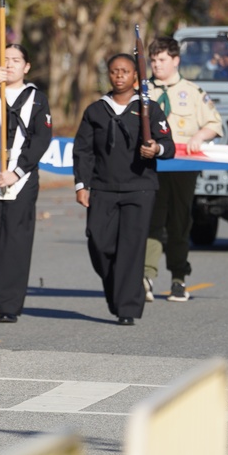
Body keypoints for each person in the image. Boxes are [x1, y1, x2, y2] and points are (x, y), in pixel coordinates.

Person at [73, 53, 175, 325]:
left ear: (135, 77)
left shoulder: (148, 109)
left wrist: (155, 148)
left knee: (131, 248)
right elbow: (83, 151)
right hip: (103, 188)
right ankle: (118, 289)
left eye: (125, 71)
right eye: (114, 71)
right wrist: (82, 185)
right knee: (99, 243)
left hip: (139, 189)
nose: (119, 76)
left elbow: (168, 145)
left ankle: (128, 308)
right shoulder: (96, 110)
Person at [0, 44, 52, 323]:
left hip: (22, 174)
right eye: (5, 60)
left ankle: (9, 305)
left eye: (16, 60)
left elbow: (41, 140)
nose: (10, 65)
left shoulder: (37, 98)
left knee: (15, 241)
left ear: (26, 66)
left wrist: (17, 171)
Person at [143, 36, 222, 303]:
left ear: (176, 60)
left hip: (183, 167)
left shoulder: (193, 92)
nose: (157, 65)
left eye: (162, 60)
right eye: (153, 60)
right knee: (152, 220)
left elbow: (214, 122)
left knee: (178, 222)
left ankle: (178, 278)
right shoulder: (143, 92)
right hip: (151, 166)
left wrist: (200, 136)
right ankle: (146, 276)